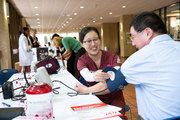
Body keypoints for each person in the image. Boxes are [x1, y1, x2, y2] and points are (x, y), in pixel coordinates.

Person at [75, 12, 180, 120]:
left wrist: (84, 90)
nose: (133, 43)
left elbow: (108, 85)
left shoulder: (139, 58)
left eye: (133, 37)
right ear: (82, 44)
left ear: (147, 32)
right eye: (88, 41)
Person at [76, 26, 126, 115]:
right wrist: (94, 76)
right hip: (95, 99)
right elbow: (87, 75)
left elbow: (115, 80)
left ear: (100, 40)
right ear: (82, 44)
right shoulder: (82, 61)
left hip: (115, 99)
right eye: (88, 41)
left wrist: (86, 89)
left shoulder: (112, 56)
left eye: (95, 39)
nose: (93, 44)